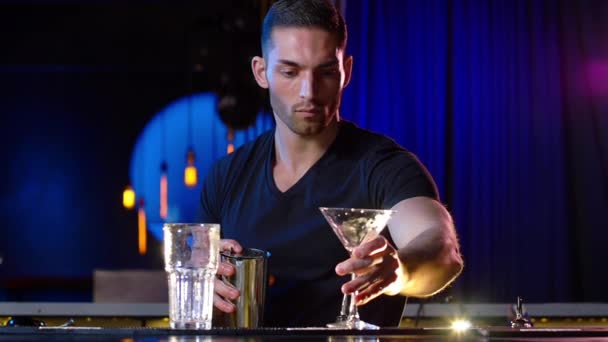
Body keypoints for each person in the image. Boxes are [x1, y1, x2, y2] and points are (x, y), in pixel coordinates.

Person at [201, 0, 463, 327]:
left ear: (346, 72)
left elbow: (441, 249)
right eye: (290, 71)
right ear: (261, 72)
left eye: (325, 72)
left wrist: (401, 270)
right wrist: (206, 287)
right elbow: (200, 286)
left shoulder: (384, 166)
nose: (309, 92)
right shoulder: (227, 176)